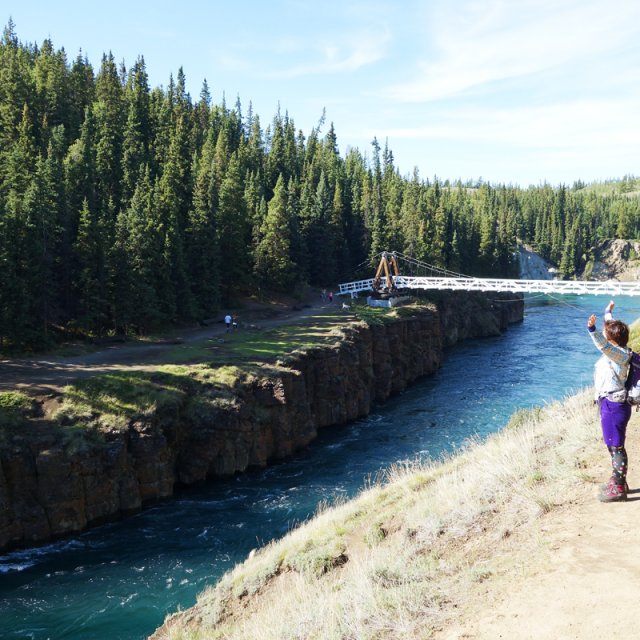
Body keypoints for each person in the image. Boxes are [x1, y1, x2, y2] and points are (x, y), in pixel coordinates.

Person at [587, 300, 632, 502]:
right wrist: (607, 312)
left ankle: (619, 488)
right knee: (613, 445)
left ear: (612, 339)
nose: (606, 333)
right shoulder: (620, 348)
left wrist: (591, 329)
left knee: (616, 447)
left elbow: (602, 343)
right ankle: (618, 480)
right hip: (611, 403)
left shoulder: (618, 354)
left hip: (614, 405)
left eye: (608, 332)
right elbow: (611, 330)